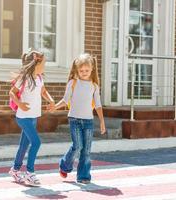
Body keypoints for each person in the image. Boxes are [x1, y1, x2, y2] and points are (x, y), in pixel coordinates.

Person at [50, 53, 106, 184]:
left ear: (92, 69)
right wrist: (55, 107)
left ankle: (83, 176)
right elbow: (65, 100)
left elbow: (98, 105)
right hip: (74, 119)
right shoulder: (73, 83)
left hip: (88, 121)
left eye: (86, 70)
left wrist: (102, 121)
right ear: (77, 70)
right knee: (78, 146)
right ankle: (65, 165)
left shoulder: (94, 86)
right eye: (81, 71)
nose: (84, 73)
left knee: (86, 150)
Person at [8, 49, 55, 186]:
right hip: (23, 117)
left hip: (34, 117)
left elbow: (43, 91)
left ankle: (15, 170)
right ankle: (30, 173)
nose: (45, 66)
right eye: (43, 64)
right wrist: (19, 104)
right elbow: (12, 92)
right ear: (35, 63)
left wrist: (51, 100)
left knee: (24, 145)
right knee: (36, 142)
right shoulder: (24, 79)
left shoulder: (39, 78)